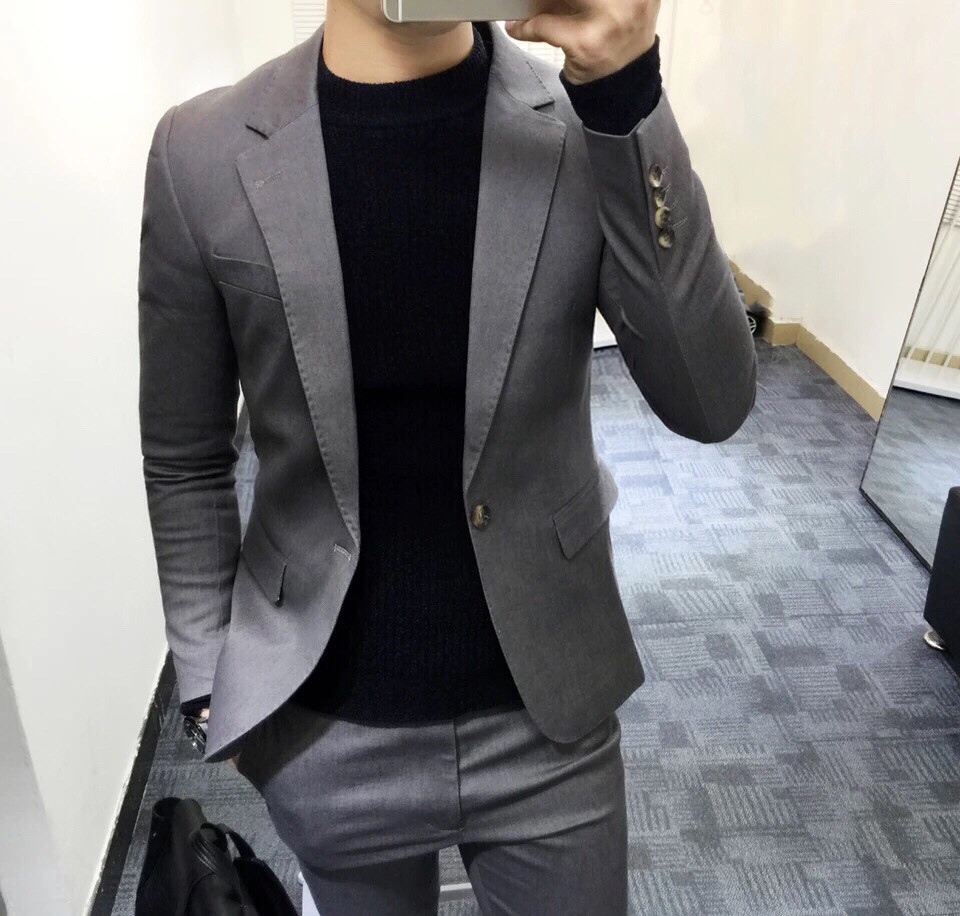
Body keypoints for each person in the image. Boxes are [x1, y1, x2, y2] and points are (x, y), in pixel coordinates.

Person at [137, 0, 757, 911]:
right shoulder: (201, 151)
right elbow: (183, 457)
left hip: (547, 710)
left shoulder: (581, 125)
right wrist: (204, 681)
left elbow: (711, 401)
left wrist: (625, 89)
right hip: (322, 730)